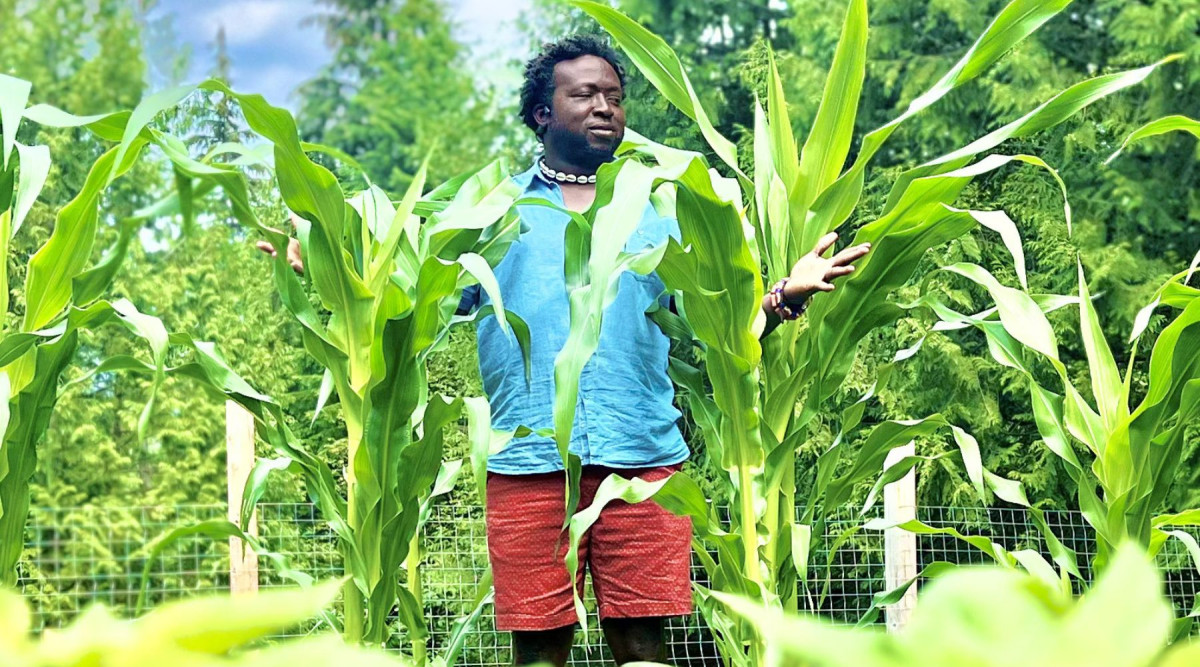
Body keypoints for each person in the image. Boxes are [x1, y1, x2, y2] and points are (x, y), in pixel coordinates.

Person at [259, 34, 869, 667]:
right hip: (529, 462)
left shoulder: (662, 210)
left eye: (615, 96)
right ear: (542, 114)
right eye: (585, 95)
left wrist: (783, 296)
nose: (605, 107)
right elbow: (407, 296)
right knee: (538, 649)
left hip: (643, 461)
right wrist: (326, 265)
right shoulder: (492, 214)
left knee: (645, 647)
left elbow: (717, 329)